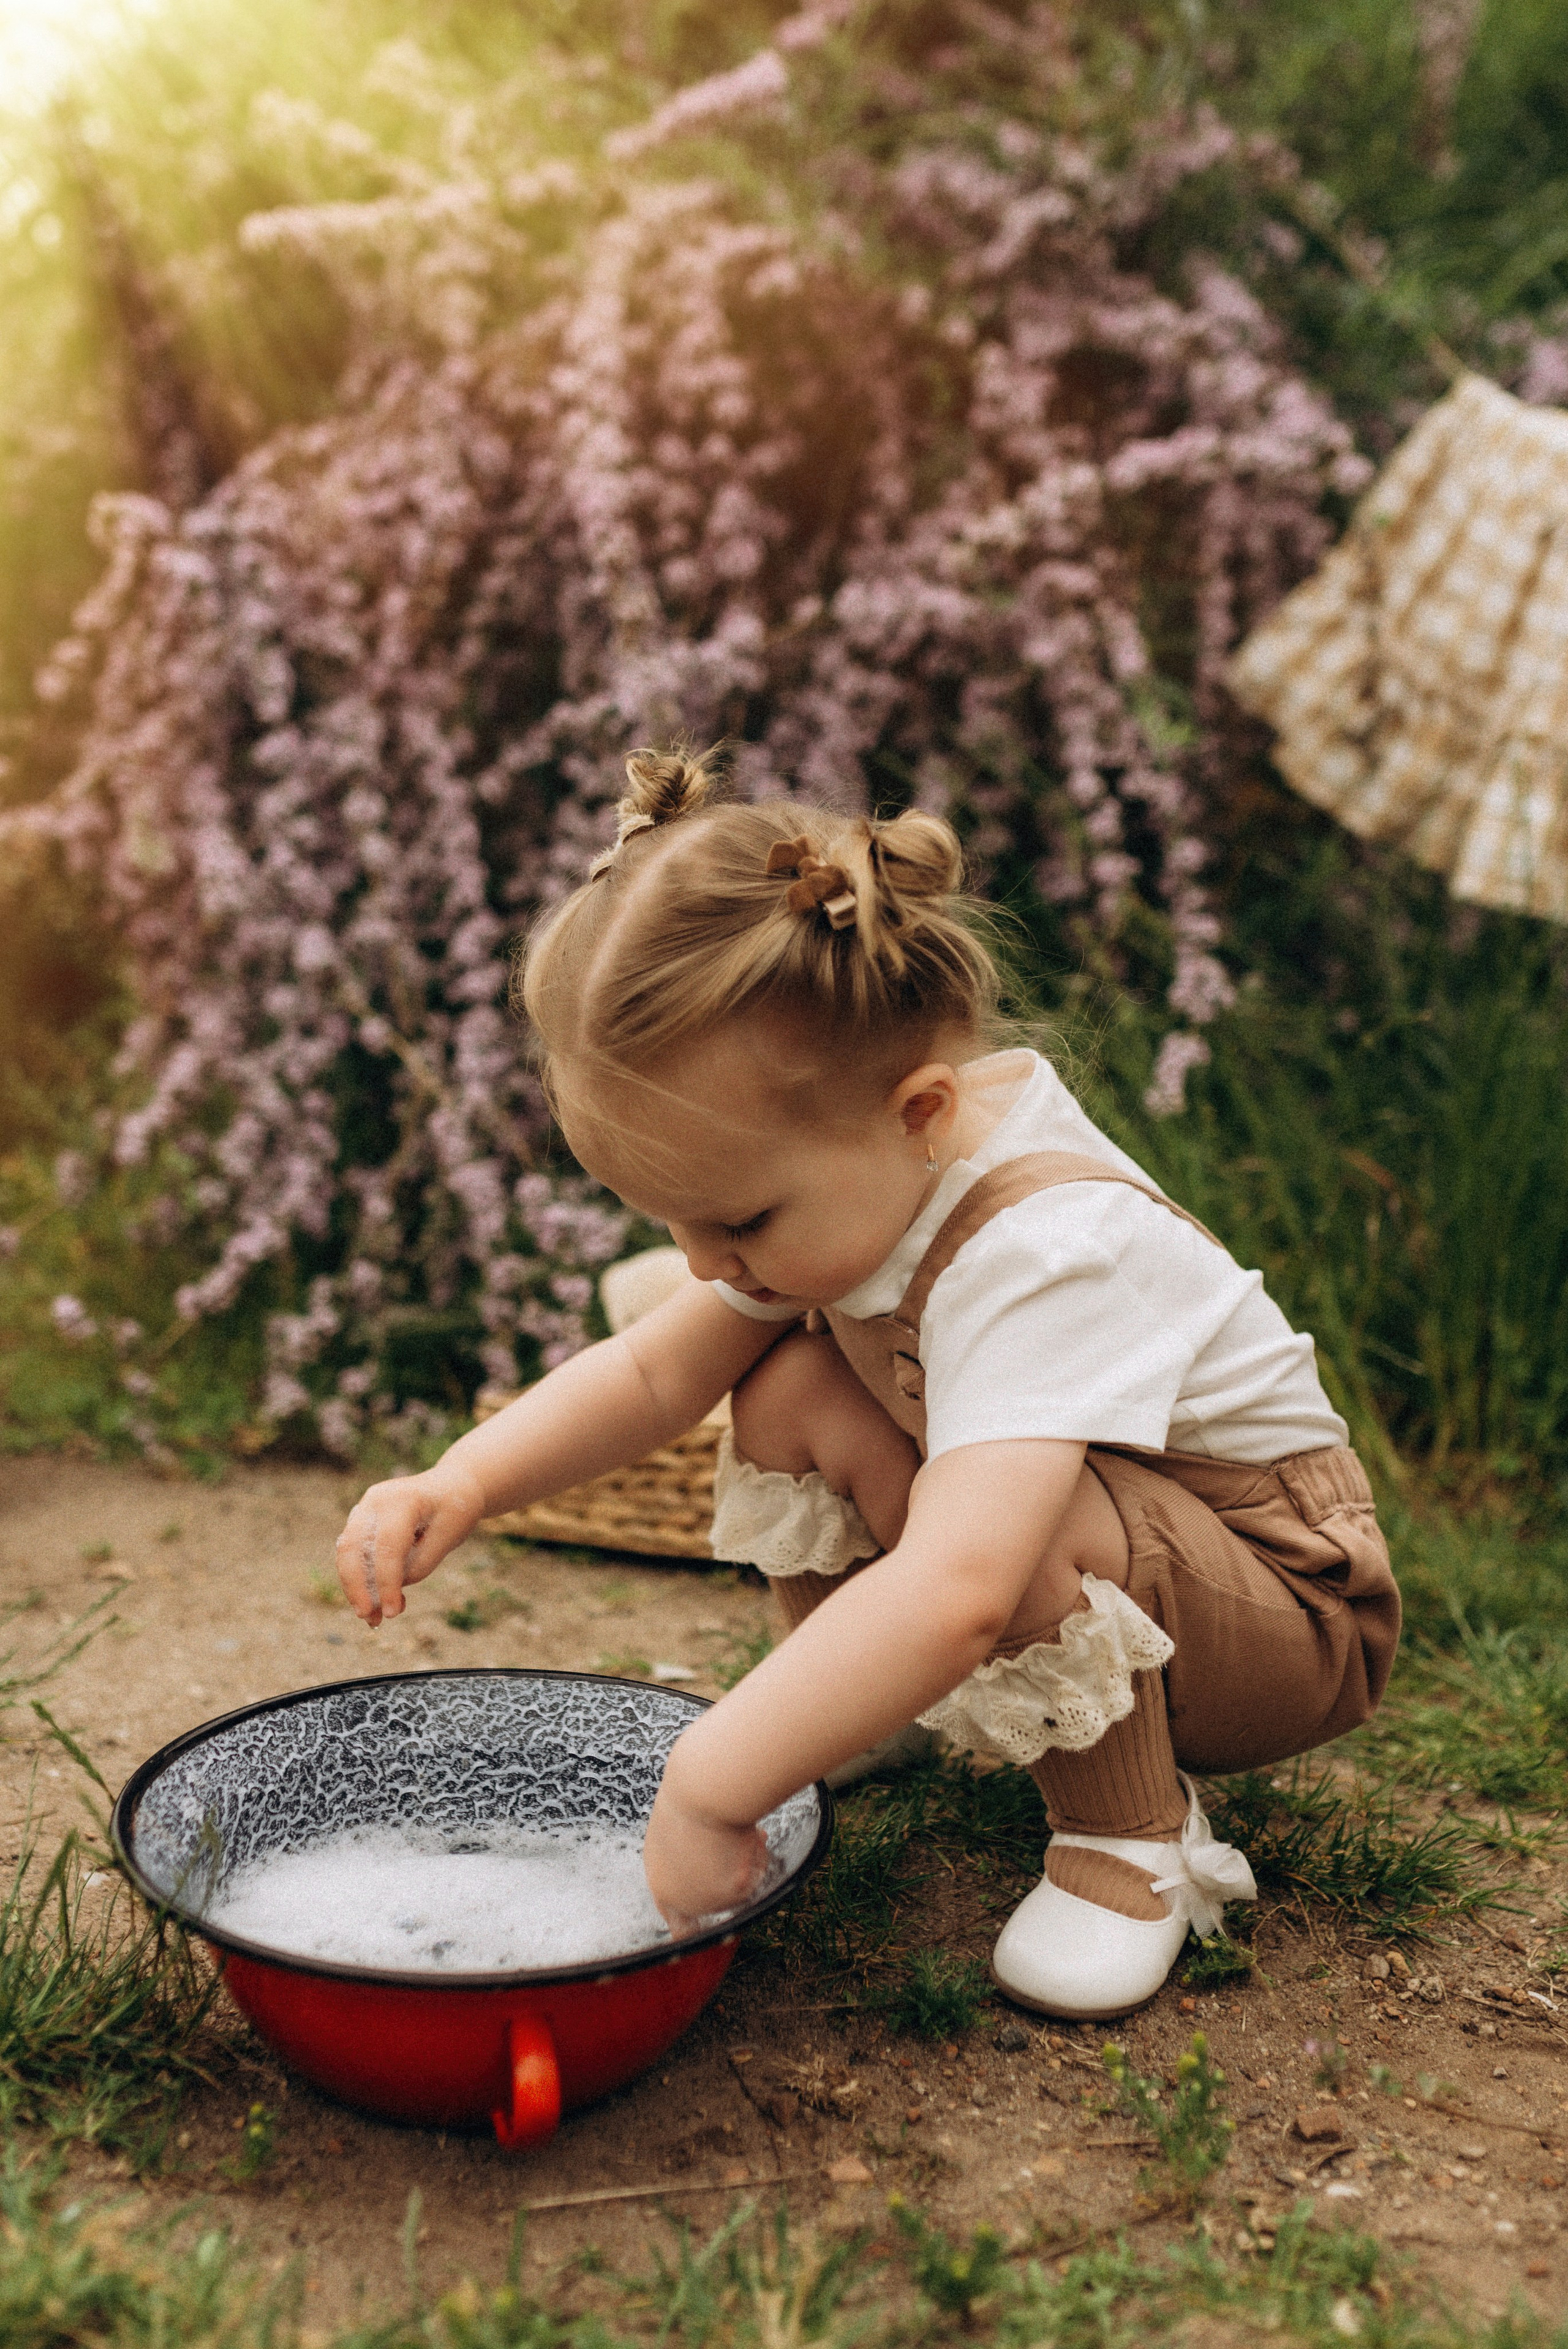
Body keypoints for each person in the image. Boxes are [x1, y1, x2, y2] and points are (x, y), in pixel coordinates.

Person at [334, 748, 1400, 2019]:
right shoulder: (845, 1165)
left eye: (732, 1221)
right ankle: (840, 1708)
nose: (701, 1261)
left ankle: (1131, 1842)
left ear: (921, 1110)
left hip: (1282, 1609)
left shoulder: (1037, 1251)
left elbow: (961, 1587)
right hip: (1136, 1548)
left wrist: (708, 1779)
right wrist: (466, 1477)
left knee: (1011, 1529)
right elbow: (653, 1368)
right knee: (783, 1390)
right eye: (676, 1223)